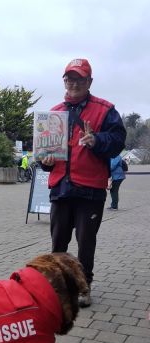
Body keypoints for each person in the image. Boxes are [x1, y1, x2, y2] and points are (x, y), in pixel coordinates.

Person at [40, 58, 125, 307]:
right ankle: (58, 285)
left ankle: (83, 286)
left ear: (89, 81)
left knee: (86, 242)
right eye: (70, 78)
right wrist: (44, 160)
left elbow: (118, 141)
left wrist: (97, 140)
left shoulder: (105, 110)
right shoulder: (53, 114)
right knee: (58, 242)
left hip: (90, 189)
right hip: (61, 187)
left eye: (79, 79)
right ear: (64, 81)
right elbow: (47, 156)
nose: (74, 83)